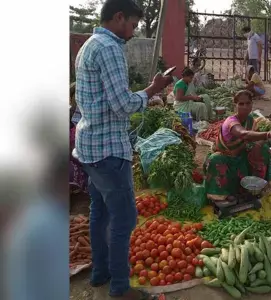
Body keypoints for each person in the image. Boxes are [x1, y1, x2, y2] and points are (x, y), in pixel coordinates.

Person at [73, 0, 173, 299]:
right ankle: (119, 288)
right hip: (108, 150)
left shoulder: (89, 45)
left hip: (89, 146)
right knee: (124, 219)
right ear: (119, 18)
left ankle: (100, 273)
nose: (132, 32)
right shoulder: (109, 48)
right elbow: (122, 105)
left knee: (100, 212)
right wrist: (152, 90)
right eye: (132, 24)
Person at [203, 90, 271, 202]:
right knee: (216, 159)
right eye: (241, 104)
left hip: (241, 155)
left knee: (264, 149)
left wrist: (260, 143)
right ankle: (220, 194)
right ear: (235, 105)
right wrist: (268, 134)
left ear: (252, 104)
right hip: (226, 157)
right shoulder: (230, 121)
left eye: (248, 103)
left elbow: (255, 138)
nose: (245, 107)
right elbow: (243, 134)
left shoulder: (250, 120)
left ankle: (258, 184)